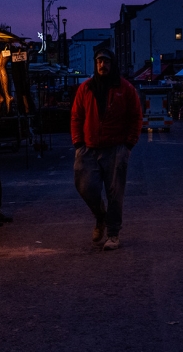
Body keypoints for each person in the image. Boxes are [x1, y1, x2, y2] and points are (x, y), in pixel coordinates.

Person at [70, 48, 142, 250]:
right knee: (85, 186)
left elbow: (136, 116)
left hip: (115, 149)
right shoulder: (86, 88)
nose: (103, 65)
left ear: (113, 64)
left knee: (115, 193)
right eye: (99, 62)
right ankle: (100, 217)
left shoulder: (124, 88)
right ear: (95, 64)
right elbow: (76, 116)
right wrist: (78, 143)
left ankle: (113, 234)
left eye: (106, 62)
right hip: (88, 149)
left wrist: (128, 144)